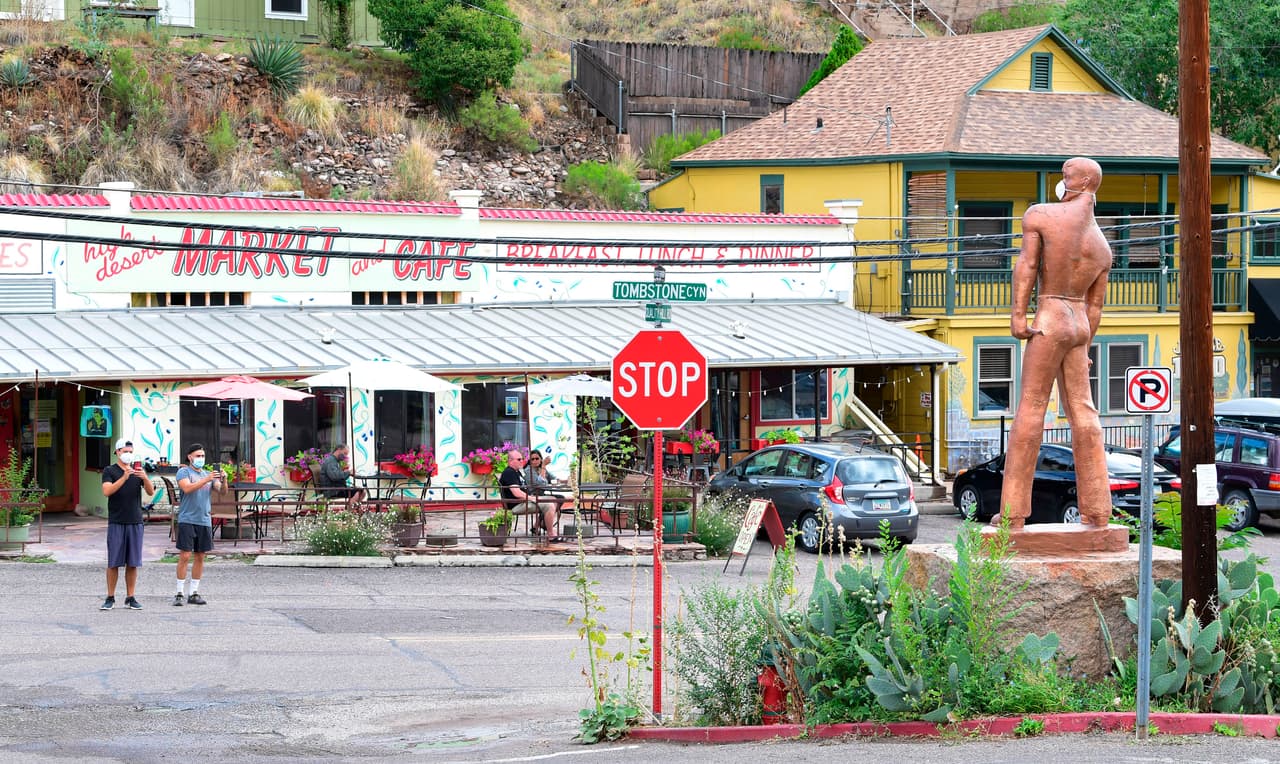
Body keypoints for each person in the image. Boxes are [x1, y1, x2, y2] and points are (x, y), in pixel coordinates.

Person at [995, 157, 1112, 530]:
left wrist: (1018, 315)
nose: (1060, 183)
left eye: (1065, 177)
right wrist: (1088, 345)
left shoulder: (1041, 215)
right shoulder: (1101, 245)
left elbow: (1027, 266)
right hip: (1079, 325)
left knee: (1031, 409)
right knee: (1084, 411)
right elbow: (1095, 306)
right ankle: (1098, 511)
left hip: (1050, 316)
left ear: (1083, 182)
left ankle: (1013, 514)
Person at [100, 437, 155, 610]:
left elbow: (150, 491)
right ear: (117, 452)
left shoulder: (138, 470)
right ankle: (110, 597)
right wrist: (124, 477)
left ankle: (130, 597)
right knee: (114, 562)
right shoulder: (110, 470)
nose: (128, 455)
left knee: (133, 562)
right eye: (125, 452)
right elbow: (107, 491)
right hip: (117, 520)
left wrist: (145, 477)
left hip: (135, 520)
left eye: (130, 452)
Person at [173, 443, 223, 606]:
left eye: (202, 456)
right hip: (187, 519)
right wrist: (206, 479)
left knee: (200, 556)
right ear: (190, 457)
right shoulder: (184, 472)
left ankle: (194, 592)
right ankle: (179, 592)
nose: (201, 459)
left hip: (204, 520)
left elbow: (222, 491)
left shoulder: (208, 474)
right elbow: (187, 488)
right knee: (185, 555)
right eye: (198, 456)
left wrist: (224, 479)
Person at [498, 449, 561, 541]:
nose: (522, 461)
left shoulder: (516, 472)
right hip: (517, 504)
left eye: (522, 459)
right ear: (510, 461)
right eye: (519, 459)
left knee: (554, 499)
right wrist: (532, 498)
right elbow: (517, 493)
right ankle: (551, 534)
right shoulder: (509, 473)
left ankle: (542, 525)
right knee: (549, 505)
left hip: (524, 501)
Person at [527, 450, 570, 518]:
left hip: (541, 494)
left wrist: (566, 481)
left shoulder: (541, 469)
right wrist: (544, 466)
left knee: (560, 498)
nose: (535, 461)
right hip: (533, 495)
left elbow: (553, 479)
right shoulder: (528, 470)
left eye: (537, 458)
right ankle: (542, 523)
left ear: (541, 459)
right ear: (530, 461)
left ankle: (540, 523)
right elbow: (541, 484)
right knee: (553, 500)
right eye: (532, 459)